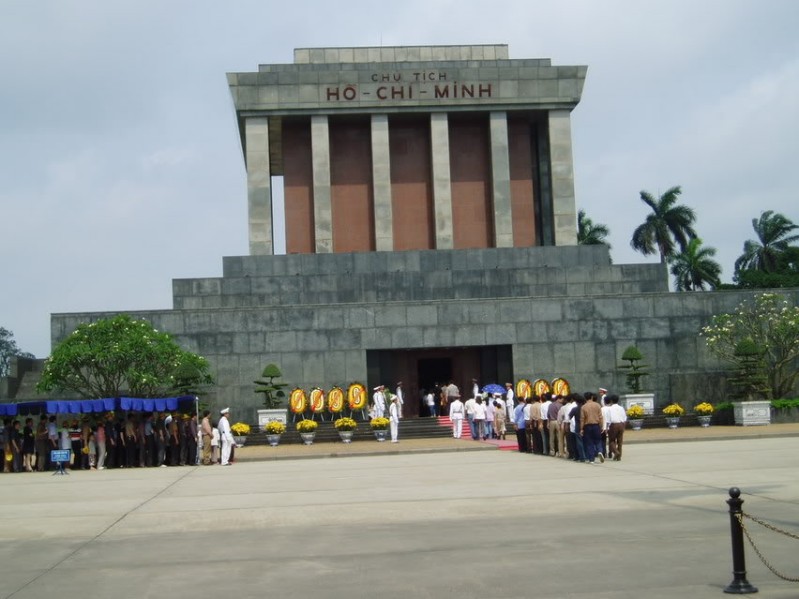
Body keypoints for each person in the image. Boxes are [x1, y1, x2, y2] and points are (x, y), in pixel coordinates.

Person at [580, 392, 604, 464]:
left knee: (589, 443)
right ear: (592, 397)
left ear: (585, 398)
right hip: (596, 425)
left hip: (587, 426)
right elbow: (600, 417)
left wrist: (581, 429)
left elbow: (582, 419)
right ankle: (599, 451)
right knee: (598, 440)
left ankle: (591, 459)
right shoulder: (597, 405)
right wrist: (601, 426)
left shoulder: (583, 407)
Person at [606, 395, 627, 461]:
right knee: (620, 441)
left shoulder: (609, 408)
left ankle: (616, 452)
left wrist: (607, 427)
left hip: (613, 425)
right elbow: (624, 418)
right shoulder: (621, 408)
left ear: (611, 401)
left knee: (612, 440)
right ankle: (619, 456)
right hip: (621, 424)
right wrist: (624, 426)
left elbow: (608, 419)